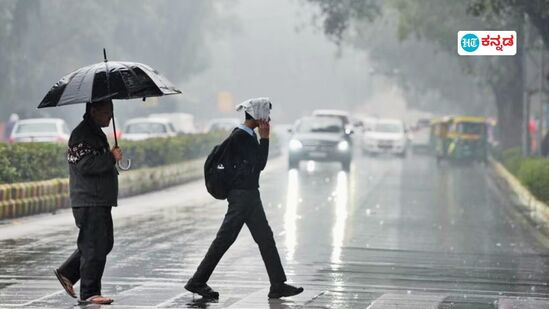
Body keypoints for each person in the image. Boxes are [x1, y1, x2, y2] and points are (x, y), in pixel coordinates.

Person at [185, 98, 304, 299]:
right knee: (224, 240)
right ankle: (197, 281)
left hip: (249, 196)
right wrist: (265, 138)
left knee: (265, 238)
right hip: (242, 197)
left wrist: (262, 137)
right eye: (266, 114)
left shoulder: (244, 135)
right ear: (258, 115)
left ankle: (277, 284)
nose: (268, 118)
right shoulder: (242, 137)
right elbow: (260, 164)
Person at [53, 99, 122, 305]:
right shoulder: (82, 134)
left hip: (99, 199)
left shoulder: (94, 132)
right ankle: (90, 292)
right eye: (106, 112)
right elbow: (85, 166)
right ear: (93, 111)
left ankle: (67, 272)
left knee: (103, 243)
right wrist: (110, 157)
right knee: (94, 245)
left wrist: (111, 158)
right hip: (89, 199)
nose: (110, 116)